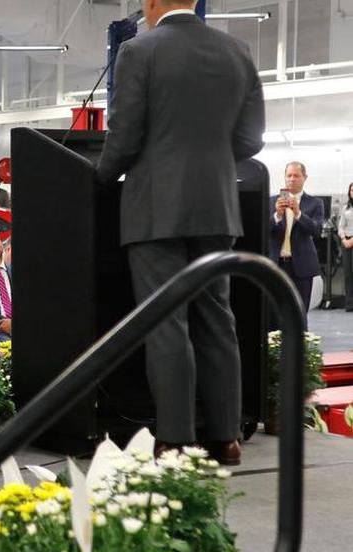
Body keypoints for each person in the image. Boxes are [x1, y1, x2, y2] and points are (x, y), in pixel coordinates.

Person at [95, 0, 265, 463]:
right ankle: (227, 438)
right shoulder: (238, 50)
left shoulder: (139, 51)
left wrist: (98, 178)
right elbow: (251, 140)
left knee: (166, 322)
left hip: (155, 211)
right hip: (217, 207)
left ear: (152, 4)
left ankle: (175, 437)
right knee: (217, 319)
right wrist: (207, 160)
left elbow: (125, 135)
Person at [269, 161, 324, 325]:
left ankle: (299, 350)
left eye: (296, 175)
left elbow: (316, 230)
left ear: (304, 178)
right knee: (272, 313)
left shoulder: (315, 203)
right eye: (289, 175)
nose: (292, 179)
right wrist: (277, 216)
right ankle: (275, 350)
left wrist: (298, 213)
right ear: (284, 178)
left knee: (299, 313)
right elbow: (262, 228)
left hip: (301, 266)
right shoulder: (272, 201)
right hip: (275, 264)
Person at [339, 182, 353, 312]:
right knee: (348, 273)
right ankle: (349, 303)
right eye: (352, 191)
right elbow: (341, 226)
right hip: (346, 243)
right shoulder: (346, 208)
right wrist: (344, 239)